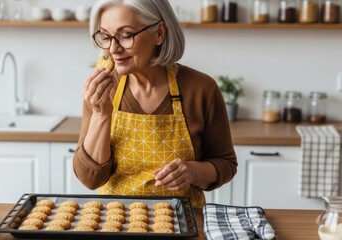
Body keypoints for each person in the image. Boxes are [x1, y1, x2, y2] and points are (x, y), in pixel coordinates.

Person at [73, 0, 237, 208]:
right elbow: (90, 179)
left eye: (126, 35)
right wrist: (101, 114)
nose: (113, 49)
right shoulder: (102, 90)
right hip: (114, 220)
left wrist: (193, 172)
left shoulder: (201, 89)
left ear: (159, 33)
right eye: (105, 36)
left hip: (182, 221)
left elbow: (226, 164)